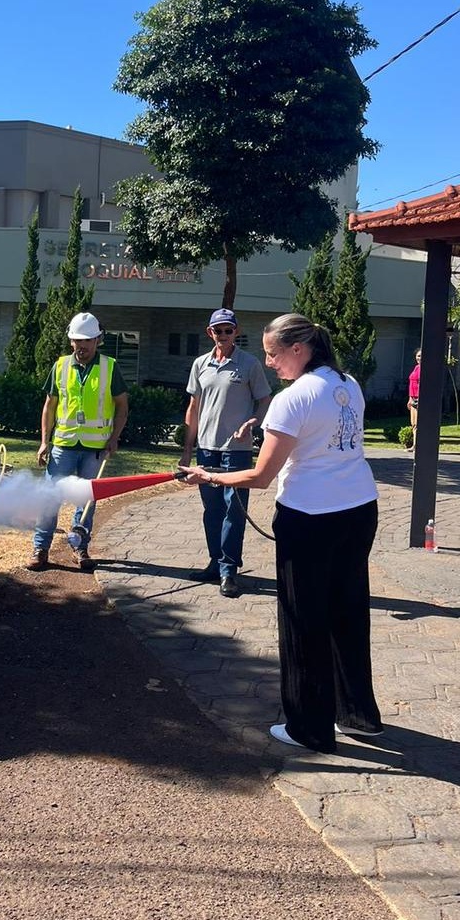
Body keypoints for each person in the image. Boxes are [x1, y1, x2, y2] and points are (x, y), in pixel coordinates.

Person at [180, 313, 382, 753]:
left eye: (273, 354)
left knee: (302, 618)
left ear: (298, 349)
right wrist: (264, 426)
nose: (269, 363)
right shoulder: (346, 383)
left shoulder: (294, 397)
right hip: (359, 508)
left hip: (310, 517)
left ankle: (308, 727)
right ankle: (357, 714)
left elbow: (260, 476)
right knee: (347, 611)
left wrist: (208, 476)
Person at [180, 308, 272, 598]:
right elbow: (193, 409)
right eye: (217, 331)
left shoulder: (249, 364)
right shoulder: (200, 365)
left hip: (237, 452)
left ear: (236, 332)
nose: (223, 335)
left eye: (228, 330)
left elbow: (265, 400)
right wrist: (187, 450)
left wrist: (252, 423)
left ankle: (229, 570)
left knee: (234, 510)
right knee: (212, 510)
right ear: (210, 333)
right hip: (207, 450)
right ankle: (214, 562)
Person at [28, 311, 129, 572]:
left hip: (95, 449)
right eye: (77, 340)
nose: (81, 346)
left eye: (87, 340)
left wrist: (114, 438)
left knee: (86, 501)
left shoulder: (110, 367)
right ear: (71, 341)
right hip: (63, 445)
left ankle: (80, 547)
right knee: (50, 498)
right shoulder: (60, 366)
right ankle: (40, 549)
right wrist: (44, 442)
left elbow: (122, 406)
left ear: (98, 340)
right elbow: (49, 407)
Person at [406, 349, 421, 450]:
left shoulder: (426, 369)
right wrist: (410, 399)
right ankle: (415, 446)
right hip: (413, 398)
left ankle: (419, 445)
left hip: (420, 398)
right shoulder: (416, 368)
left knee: (419, 423)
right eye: (418, 356)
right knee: (414, 424)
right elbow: (412, 384)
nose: (419, 358)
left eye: (420, 356)